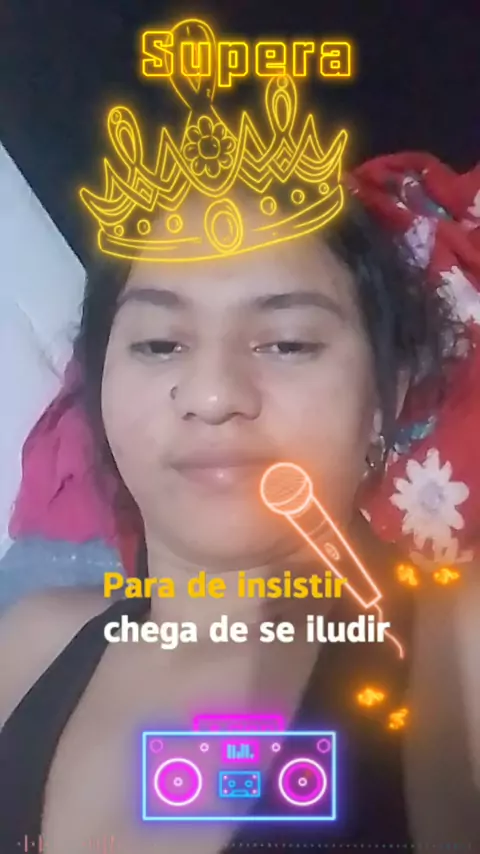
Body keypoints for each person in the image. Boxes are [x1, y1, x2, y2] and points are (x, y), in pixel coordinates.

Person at [0, 181, 478, 853]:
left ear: (385, 397)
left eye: (286, 344)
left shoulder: (456, 644)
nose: (212, 394)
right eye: (159, 344)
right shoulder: (29, 646)